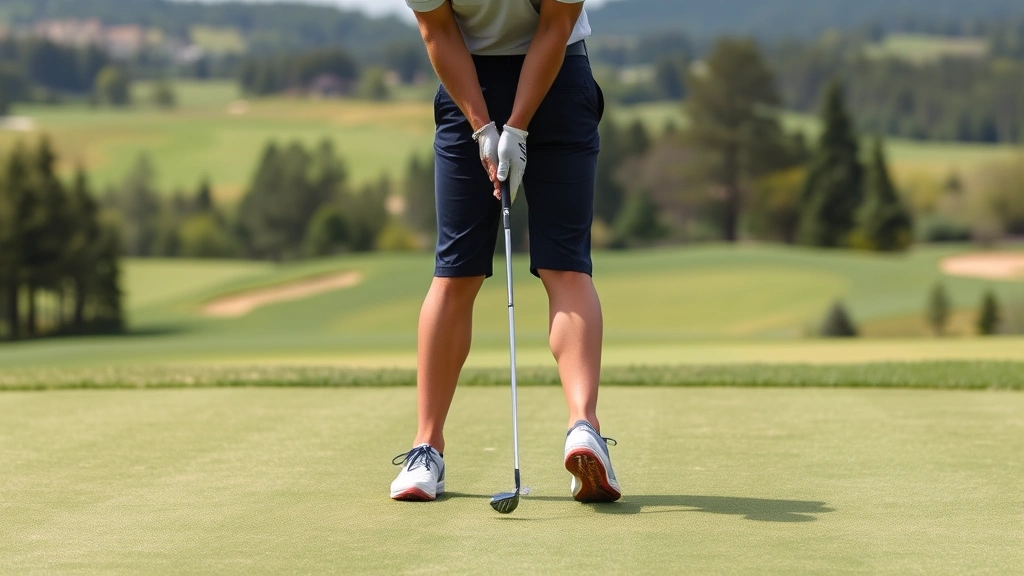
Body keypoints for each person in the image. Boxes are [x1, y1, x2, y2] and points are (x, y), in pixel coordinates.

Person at [390, 0, 620, 504]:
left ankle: (585, 428)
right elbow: (438, 31)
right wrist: (482, 125)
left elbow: (558, 22)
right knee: (458, 269)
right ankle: (426, 445)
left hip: (557, 71)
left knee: (564, 263)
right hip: (467, 80)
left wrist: (517, 126)